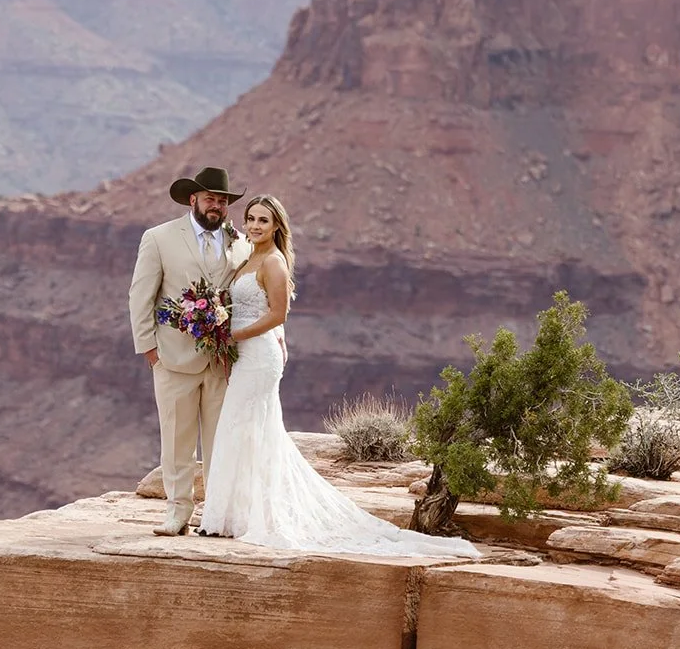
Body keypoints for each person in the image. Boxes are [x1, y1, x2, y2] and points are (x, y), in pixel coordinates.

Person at [197, 194, 480, 559]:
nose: (254, 225)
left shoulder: (273, 262)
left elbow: (278, 315)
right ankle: (231, 516)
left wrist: (235, 335)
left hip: (258, 356)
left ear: (277, 226)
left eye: (263, 220)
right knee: (243, 429)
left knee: (245, 427)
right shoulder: (248, 257)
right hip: (244, 355)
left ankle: (245, 518)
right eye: (250, 218)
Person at [128, 166, 246, 536]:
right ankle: (177, 511)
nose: (217, 206)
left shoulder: (239, 243)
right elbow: (141, 294)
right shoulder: (160, 237)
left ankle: (215, 514)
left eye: (223, 201)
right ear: (193, 199)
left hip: (221, 361)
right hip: (172, 357)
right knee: (177, 439)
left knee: (219, 442)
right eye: (211, 199)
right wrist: (149, 348)